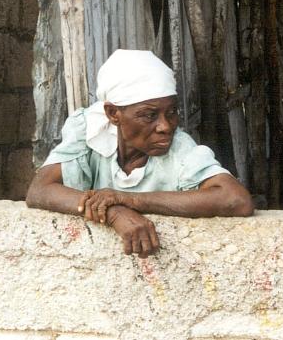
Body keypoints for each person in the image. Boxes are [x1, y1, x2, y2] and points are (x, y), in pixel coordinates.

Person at [26, 49, 253, 258]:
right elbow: (39, 190)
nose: (166, 126)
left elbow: (236, 199)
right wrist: (114, 212)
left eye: (172, 112)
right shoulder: (89, 130)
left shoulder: (179, 148)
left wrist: (131, 200)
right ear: (113, 114)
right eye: (149, 115)